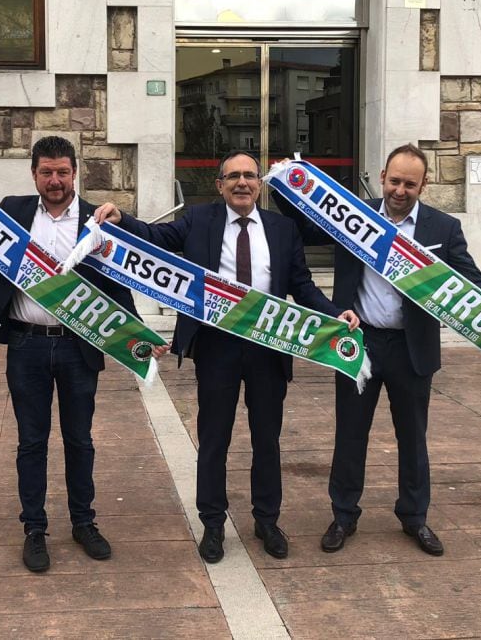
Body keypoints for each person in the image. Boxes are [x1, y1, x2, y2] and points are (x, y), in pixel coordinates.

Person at [94, 150, 359, 563]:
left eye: (249, 176)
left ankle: (267, 520)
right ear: (219, 185)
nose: (242, 183)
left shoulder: (282, 228)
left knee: (267, 440)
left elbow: (301, 286)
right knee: (214, 439)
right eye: (233, 176)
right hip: (217, 347)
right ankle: (213, 525)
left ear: (260, 184)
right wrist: (121, 219)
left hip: (269, 348)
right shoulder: (200, 221)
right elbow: (156, 237)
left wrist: (332, 313)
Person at [277, 144, 481, 557]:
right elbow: (303, 227)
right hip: (360, 343)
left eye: (410, 183)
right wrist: (287, 183)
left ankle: (415, 518)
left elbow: (473, 284)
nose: (400, 190)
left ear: (424, 184)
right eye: (394, 181)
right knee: (350, 435)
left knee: (413, 438)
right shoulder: (353, 217)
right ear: (381, 176)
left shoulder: (442, 229)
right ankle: (343, 515)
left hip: (413, 349)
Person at [0, 136, 145, 573]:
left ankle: (84, 522)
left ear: (75, 173)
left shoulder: (97, 220)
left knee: (80, 439)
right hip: (25, 344)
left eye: (63, 172)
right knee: (31, 441)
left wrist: (137, 333)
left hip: (78, 346)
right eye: (46, 172)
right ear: (34, 174)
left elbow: (118, 283)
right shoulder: (13, 210)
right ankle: (34, 529)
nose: (55, 180)